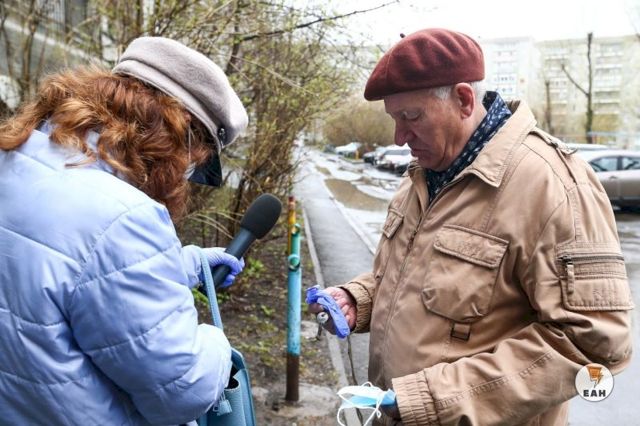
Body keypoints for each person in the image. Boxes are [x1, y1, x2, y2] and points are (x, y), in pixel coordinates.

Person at [310, 28, 633, 425]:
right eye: (394, 119)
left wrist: (432, 400)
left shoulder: (553, 184)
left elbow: (595, 345)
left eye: (411, 117)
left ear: (463, 100)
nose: (399, 137)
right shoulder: (422, 176)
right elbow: (411, 278)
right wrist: (357, 298)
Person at [0, 37, 249, 424]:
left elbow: (62, 265)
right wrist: (215, 341)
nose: (187, 175)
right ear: (181, 133)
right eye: (196, 161)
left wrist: (186, 265)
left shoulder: (17, 153)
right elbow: (183, 390)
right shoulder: (126, 215)